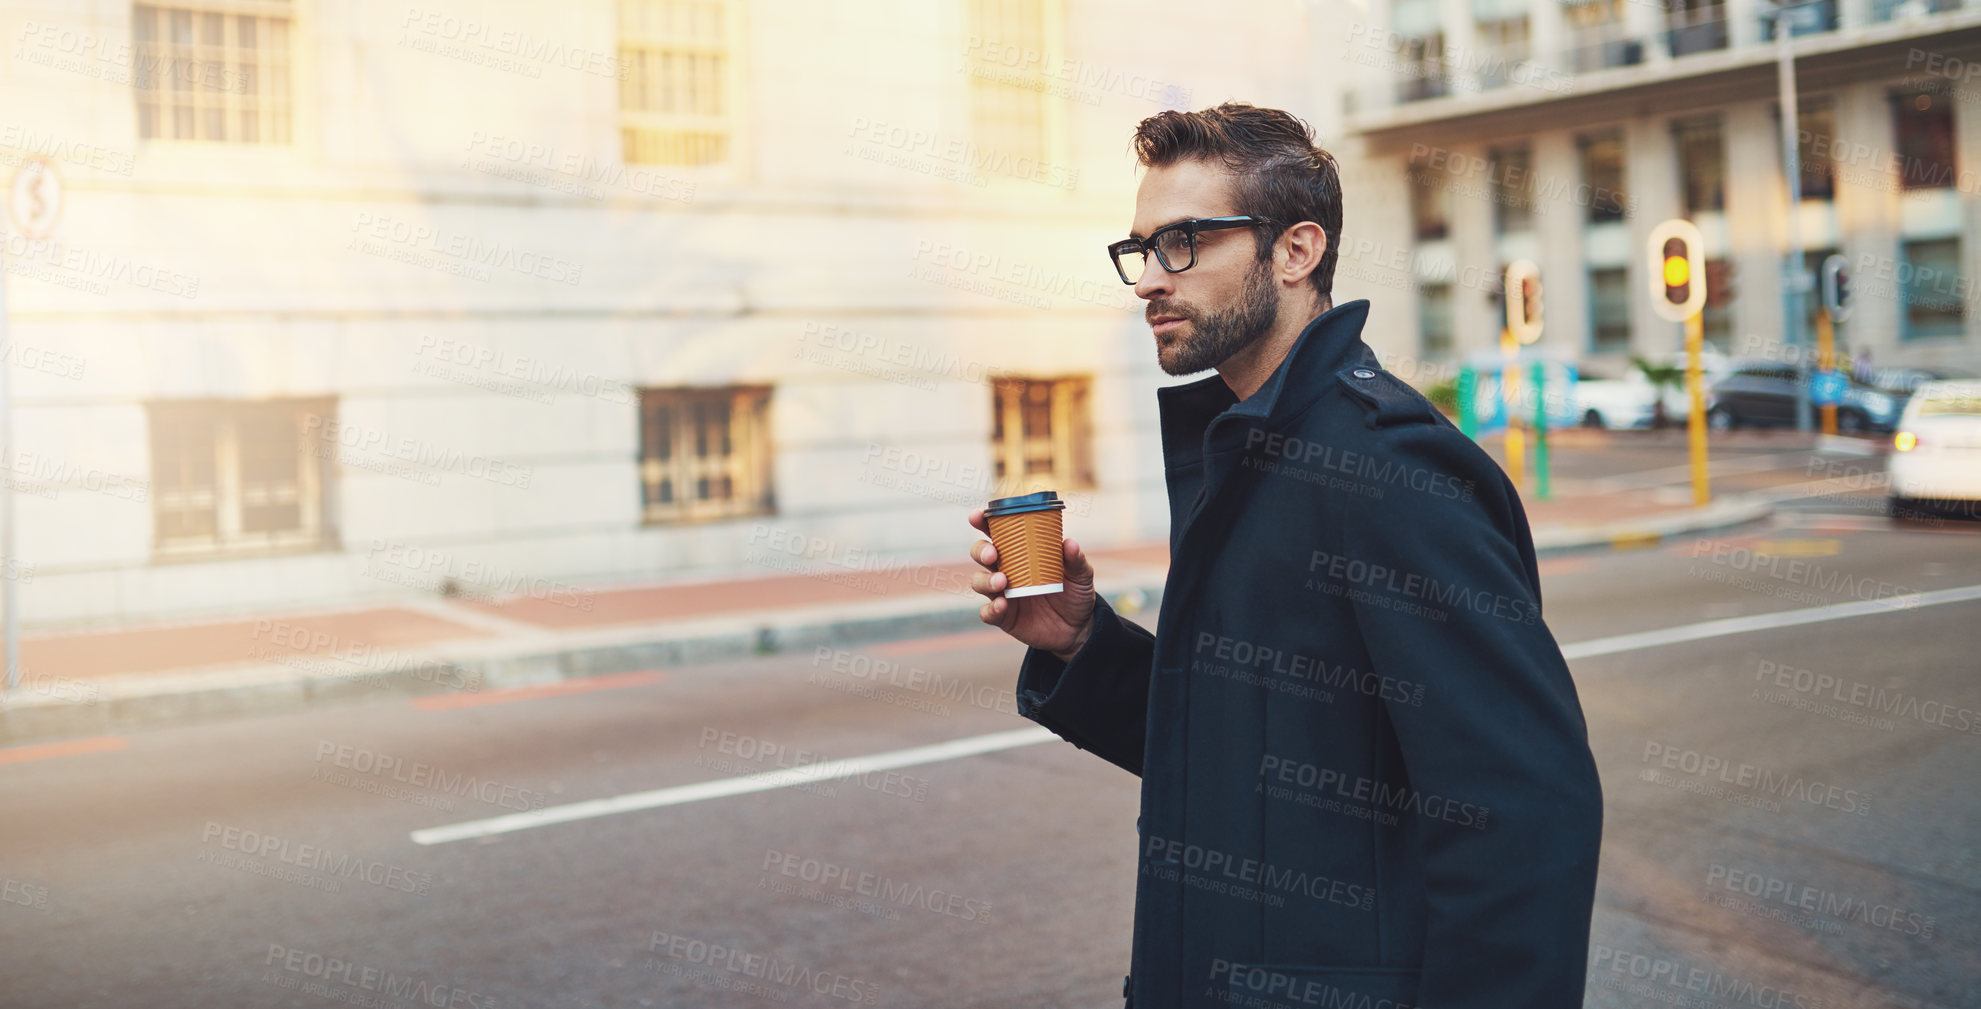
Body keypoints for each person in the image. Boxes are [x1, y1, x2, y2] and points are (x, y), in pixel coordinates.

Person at [965, 103, 1604, 1009]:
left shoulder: (1387, 469)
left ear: (1296, 251)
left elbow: (1524, 814)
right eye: (1140, 248)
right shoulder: (1248, 447)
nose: (1148, 277)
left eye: (1182, 242)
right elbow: (1246, 744)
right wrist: (1081, 643)